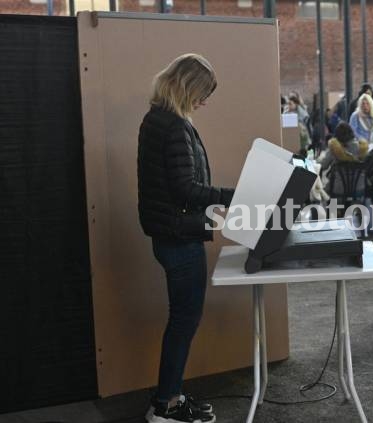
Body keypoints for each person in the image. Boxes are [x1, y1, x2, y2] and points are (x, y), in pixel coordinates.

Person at [138, 53, 233, 423]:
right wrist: (230, 195)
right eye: (203, 93)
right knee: (184, 320)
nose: (205, 101)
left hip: (169, 235)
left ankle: (170, 394)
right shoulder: (174, 126)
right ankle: (166, 405)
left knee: (181, 319)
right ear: (189, 87)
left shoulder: (155, 119)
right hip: (179, 238)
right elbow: (185, 189)